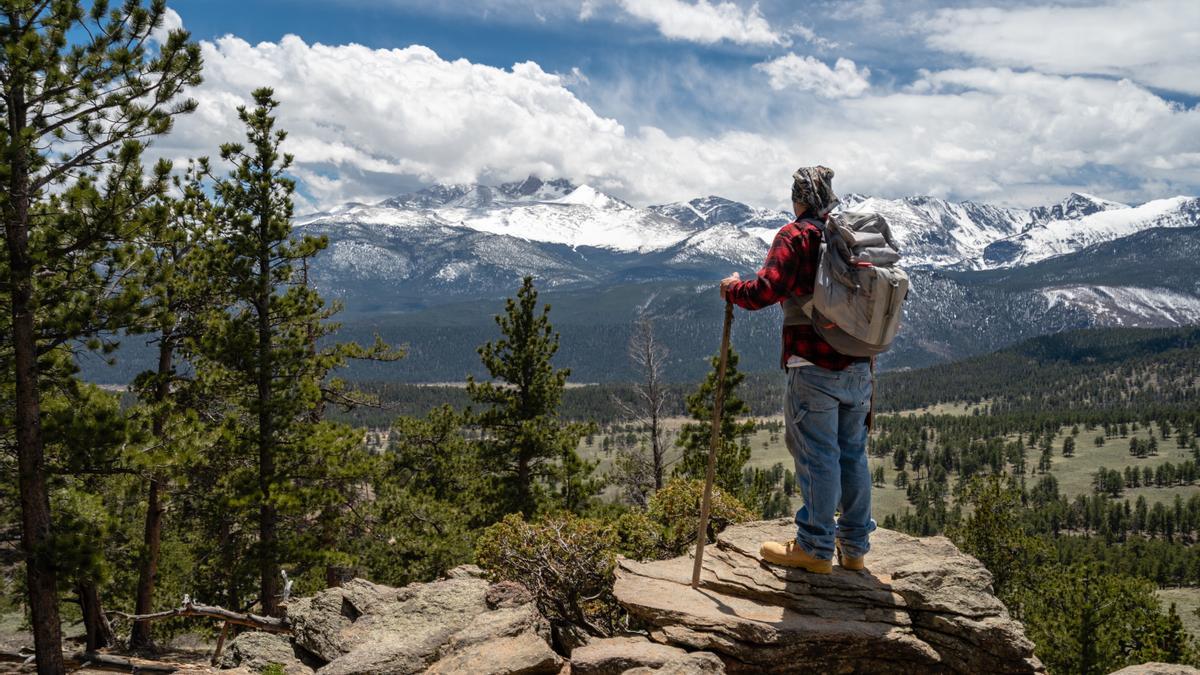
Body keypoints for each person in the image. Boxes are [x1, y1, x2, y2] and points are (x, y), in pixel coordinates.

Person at [719, 166, 875, 574]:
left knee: (819, 455)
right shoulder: (851, 237)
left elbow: (765, 291)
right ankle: (855, 549)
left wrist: (732, 288)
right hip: (860, 365)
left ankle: (815, 548)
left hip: (813, 366)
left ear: (798, 197)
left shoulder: (796, 235)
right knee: (853, 454)